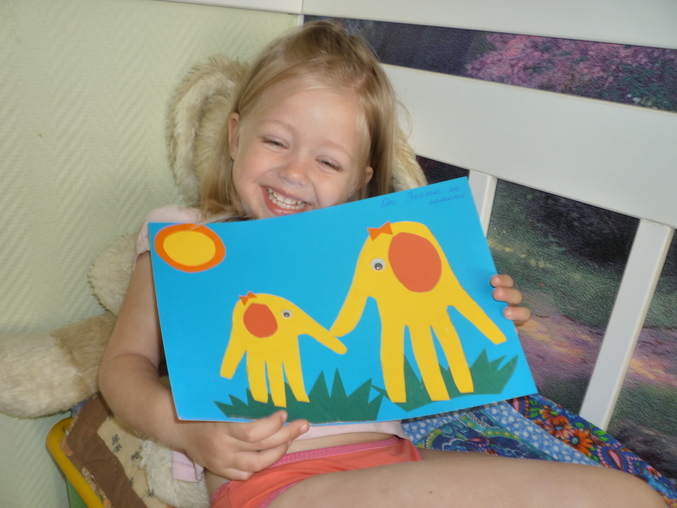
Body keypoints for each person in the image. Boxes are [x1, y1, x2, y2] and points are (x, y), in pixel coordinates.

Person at [99, 21, 665, 508]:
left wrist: (489, 316)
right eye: (275, 141)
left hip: (393, 463)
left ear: (360, 181)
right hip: (277, 484)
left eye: (327, 161)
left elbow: (422, 342)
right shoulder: (185, 237)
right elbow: (122, 365)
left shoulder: (366, 251)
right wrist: (183, 431)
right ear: (234, 135)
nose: (294, 172)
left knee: (628, 497)